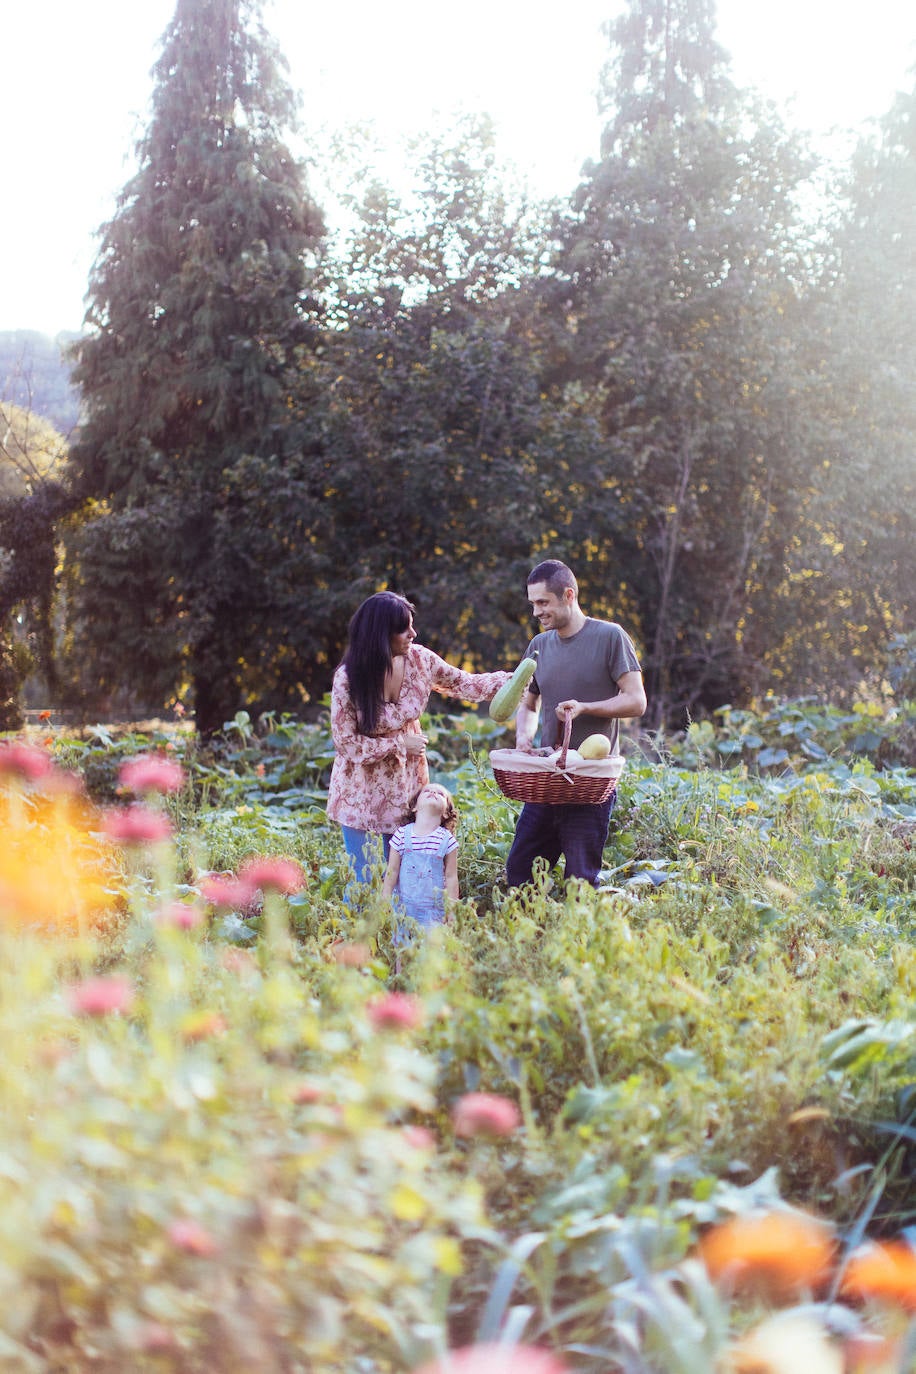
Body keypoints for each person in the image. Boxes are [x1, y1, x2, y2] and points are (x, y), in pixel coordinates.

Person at [327, 591, 510, 893]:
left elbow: (464, 683)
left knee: (405, 878)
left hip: (406, 787)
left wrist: (513, 680)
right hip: (360, 793)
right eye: (404, 628)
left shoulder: (420, 660)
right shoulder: (348, 678)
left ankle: (404, 938)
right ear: (380, 634)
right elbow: (346, 743)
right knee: (364, 879)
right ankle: (358, 938)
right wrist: (399, 745)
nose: (413, 633)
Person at [505, 559, 647, 889]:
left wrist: (585, 708)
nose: (536, 612)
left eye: (543, 602)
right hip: (547, 779)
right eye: (533, 604)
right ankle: (528, 939)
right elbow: (528, 702)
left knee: (580, 882)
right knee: (520, 874)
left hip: (590, 781)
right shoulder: (538, 646)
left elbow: (637, 700)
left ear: (568, 595)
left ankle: (578, 939)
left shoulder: (611, 637)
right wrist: (524, 739)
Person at [382, 782, 459, 929]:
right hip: (402, 907)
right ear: (415, 807)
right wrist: (385, 898)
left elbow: (451, 877)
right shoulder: (401, 835)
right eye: (427, 791)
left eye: (440, 794)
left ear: (446, 813)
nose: (433, 793)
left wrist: (452, 910)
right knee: (402, 947)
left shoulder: (447, 840)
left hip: (434, 911)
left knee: (431, 948)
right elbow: (392, 871)